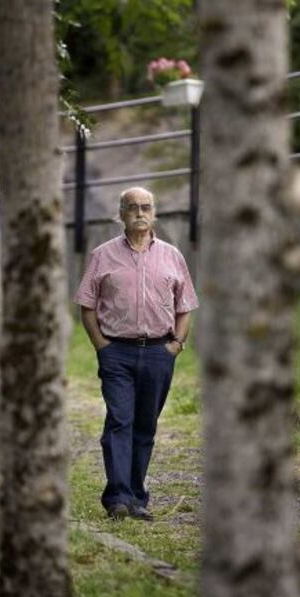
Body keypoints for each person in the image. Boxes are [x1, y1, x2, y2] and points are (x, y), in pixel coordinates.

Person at [75, 186, 199, 521]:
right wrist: (102, 345)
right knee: (119, 421)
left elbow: (185, 306)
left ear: (154, 211)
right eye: (132, 207)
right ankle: (117, 498)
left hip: (160, 351)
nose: (140, 213)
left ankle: (136, 498)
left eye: (146, 207)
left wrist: (176, 345)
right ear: (121, 214)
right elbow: (87, 305)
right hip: (117, 352)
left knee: (145, 425)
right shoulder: (102, 254)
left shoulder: (173, 255)